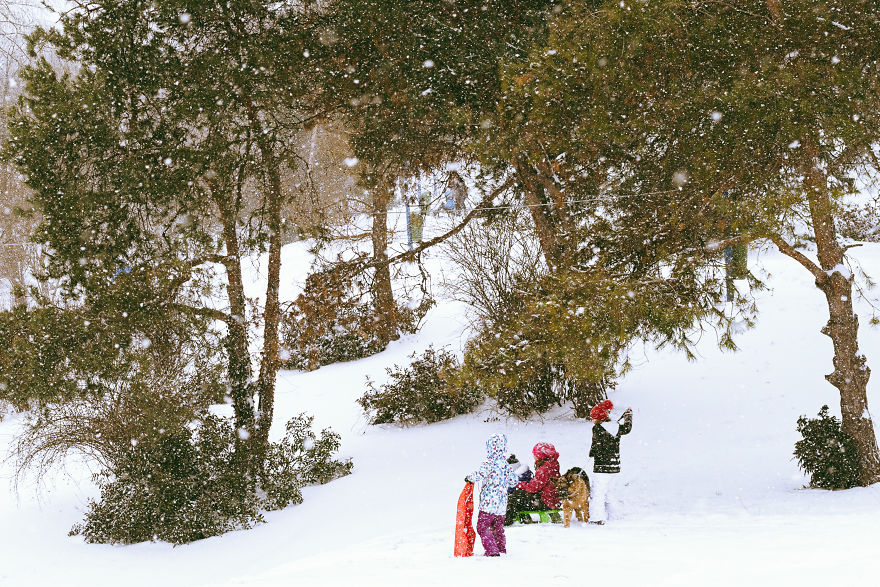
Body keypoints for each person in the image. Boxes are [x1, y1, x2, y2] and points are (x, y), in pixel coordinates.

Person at [465, 433, 519, 556]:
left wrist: (469, 478)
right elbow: (514, 481)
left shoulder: (489, 462)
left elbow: (480, 474)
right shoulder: (506, 465)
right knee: (498, 528)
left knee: (483, 527)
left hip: (488, 504)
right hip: (501, 504)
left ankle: (492, 550)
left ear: (489, 447)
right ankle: (500, 548)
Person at [588, 400, 633, 525]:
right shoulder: (616, 427)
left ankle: (596, 517)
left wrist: (591, 452)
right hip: (614, 466)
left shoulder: (597, 428)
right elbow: (627, 429)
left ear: (598, 419)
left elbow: (596, 446)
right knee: (609, 492)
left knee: (597, 493)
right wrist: (628, 416)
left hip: (601, 467)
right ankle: (614, 516)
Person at [505, 442, 561, 525]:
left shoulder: (544, 469)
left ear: (541, 456)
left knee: (515, 497)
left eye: (535, 454)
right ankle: (524, 517)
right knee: (521, 495)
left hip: (545, 502)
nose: (534, 456)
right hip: (552, 500)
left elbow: (533, 488)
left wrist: (518, 484)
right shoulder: (552, 465)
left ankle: (506, 520)